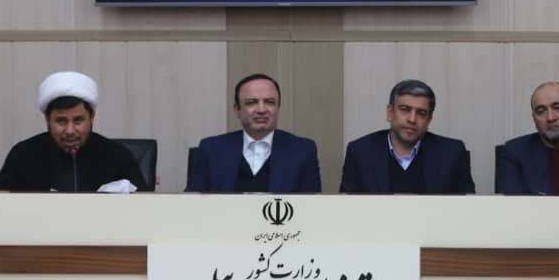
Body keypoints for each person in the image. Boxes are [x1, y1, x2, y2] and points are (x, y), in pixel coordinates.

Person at [0, 71, 145, 192]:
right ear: (47, 119)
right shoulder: (23, 155)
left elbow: (147, 207)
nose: (70, 131)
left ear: (91, 117)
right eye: (61, 121)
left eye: (78, 121)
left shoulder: (117, 157)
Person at [186, 73, 321, 193]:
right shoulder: (211, 149)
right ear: (237, 110)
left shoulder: (303, 151)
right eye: (251, 102)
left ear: (278, 108)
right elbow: (190, 204)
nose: (261, 109)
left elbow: (312, 207)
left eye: (269, 102)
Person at [340, 79, 475, 194]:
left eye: (421, 113)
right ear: (390, 113)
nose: (412, 119)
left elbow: (470, 207)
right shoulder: (360, 152)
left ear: (429, 120)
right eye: (405, 109)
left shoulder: (452, 153)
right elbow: (345, 208)